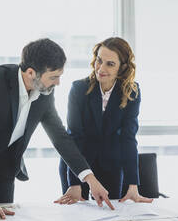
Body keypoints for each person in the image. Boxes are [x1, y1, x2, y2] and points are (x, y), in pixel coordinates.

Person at [0, 38, 115, 221]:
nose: (58, 83)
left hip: (3, 161)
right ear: (31, 72)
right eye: (54, 77)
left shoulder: (45, 92)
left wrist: (90, 179)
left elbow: (60, 138)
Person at [55, 37, 153, 205]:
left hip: (112, 165)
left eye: (110, 64)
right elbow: (75, 137)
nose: (101, 68)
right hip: (78, 166)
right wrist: (75, 182)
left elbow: (128, 138)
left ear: (122, 68)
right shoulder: (78, 89)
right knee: (77, 218)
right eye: (99, 60)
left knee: (111, 215)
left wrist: (133, 184)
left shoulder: (131, 92)